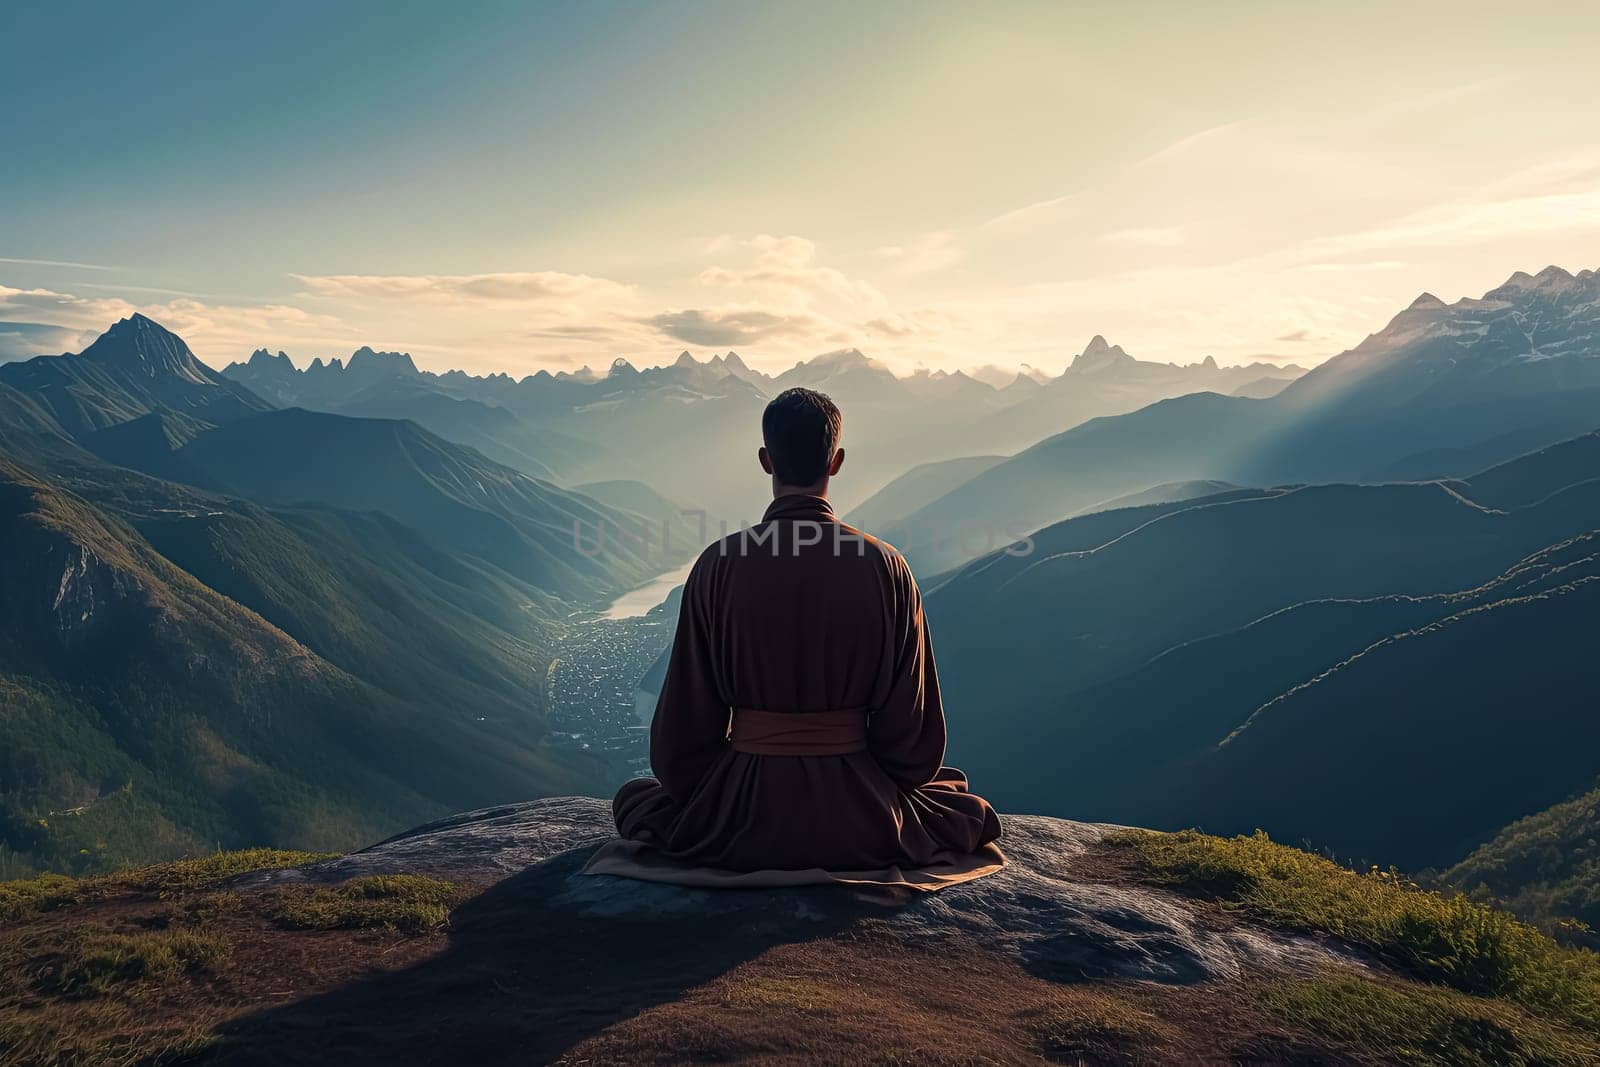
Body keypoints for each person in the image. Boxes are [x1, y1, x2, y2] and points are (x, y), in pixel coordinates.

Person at [611, 387, 1002, 871]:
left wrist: (721, 791)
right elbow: (915, 745)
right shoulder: (886, 567)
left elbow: (681, 741)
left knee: (637, 800)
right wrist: (869, 781)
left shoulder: (719, 565)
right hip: (863, 818)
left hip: (741, 816)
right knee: (960, 802)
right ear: (836, 462)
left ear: (765, 460)